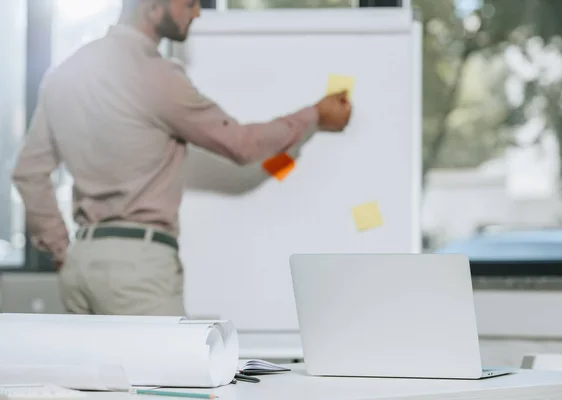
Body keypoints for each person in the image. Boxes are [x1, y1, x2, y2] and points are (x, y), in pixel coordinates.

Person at [12, 0, 351, 316]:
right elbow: (243, 145)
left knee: (97, 380)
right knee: (162, 380)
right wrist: (314, 115)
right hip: (138, 268)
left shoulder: (65, 73)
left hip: (81, 263)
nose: (198, 12)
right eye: (189, 2)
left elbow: (29, 173)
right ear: (153, 7)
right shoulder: (157, 76)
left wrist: (62, 252)